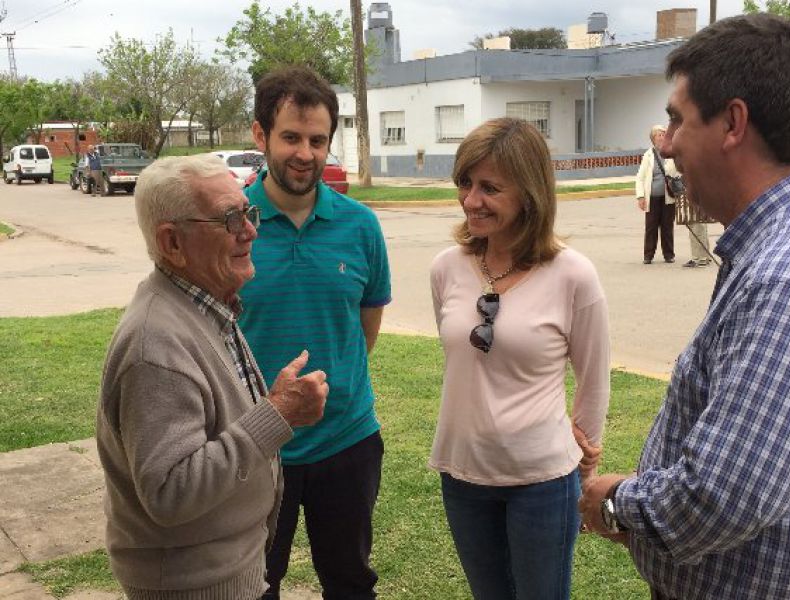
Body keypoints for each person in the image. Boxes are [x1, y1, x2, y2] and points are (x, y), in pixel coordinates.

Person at [579, 13, 790, 600]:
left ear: (732, 123)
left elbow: (723, 497)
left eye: (677, 119)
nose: (668, 143)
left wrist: (616, 502)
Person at [95, 154, 330, 600]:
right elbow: (170, 491)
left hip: (223, 572)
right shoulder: (155, 346)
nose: (251, 230)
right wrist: (276, 414)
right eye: (229, 218)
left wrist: (269, 408)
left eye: (248, 211)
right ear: (173, 243)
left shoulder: (204, 303)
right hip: (194, 585)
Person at [429, 117, 610, 600]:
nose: (471, 200)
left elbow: (593, 381)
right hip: (463, 473)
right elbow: (462, 361)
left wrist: (586, 461)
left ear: (529, 194)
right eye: (465, 183)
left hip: (542, 479)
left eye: (490, 187)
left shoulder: (573, 275)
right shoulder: (446, 268)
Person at [239, 66, 392, 600]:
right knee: (254, 584)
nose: (305, 153)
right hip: (255, 446)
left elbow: (365, 329)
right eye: (290, 137)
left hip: (346, 442)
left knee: (350, 582)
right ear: (260, 135)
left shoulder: (361, 226)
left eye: (317, 140)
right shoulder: (231, 225)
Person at [635, 125, 678, 264]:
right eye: (658, 135)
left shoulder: (671, 153)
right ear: (653, 139)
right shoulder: (648, 156)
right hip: (652, 197)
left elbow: (678, 172)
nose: (661, 137)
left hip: (668, 196)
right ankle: (648, 255)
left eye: (663, 135)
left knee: (667, 226)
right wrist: (641, 196)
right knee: (651, 227)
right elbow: (640, 178)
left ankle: (669, 254)